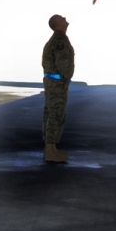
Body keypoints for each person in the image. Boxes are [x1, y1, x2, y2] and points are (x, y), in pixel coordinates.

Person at [41, 12, 74, 163]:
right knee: (56, 114)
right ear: (57, 24)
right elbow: (62, 61)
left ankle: (50, 148)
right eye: (62, 19)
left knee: (50, 113)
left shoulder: (54, 39)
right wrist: (65, 78)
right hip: (57, 83)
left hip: (52, 81)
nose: (65, 19)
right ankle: (51, 150)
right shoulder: (60, 40)